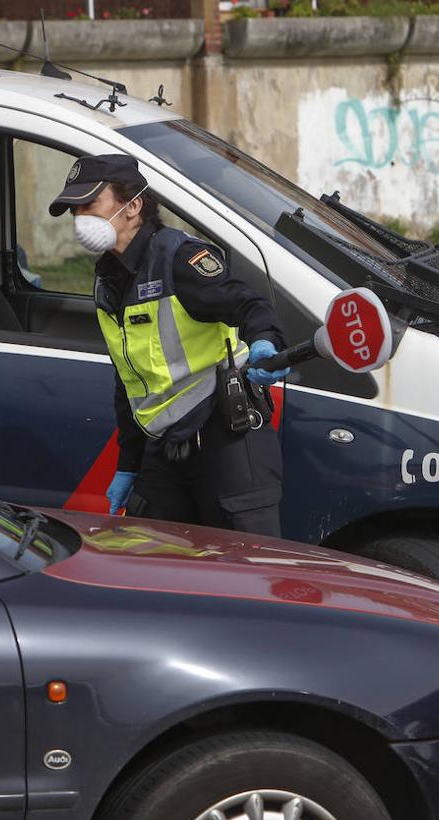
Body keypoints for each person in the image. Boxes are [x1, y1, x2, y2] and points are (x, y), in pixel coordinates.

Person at [49, 153, 289, 536]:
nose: (80, 218)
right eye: (74, 210)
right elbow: (128, 381)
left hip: (226, 439)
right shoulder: (108, 281)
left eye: (90, 204)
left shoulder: (177, 259)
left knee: (247, 570)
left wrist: (265, 342)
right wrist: (129, 462)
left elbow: (248, 304)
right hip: (164, 449)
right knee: (157, 569)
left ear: (133, 206)